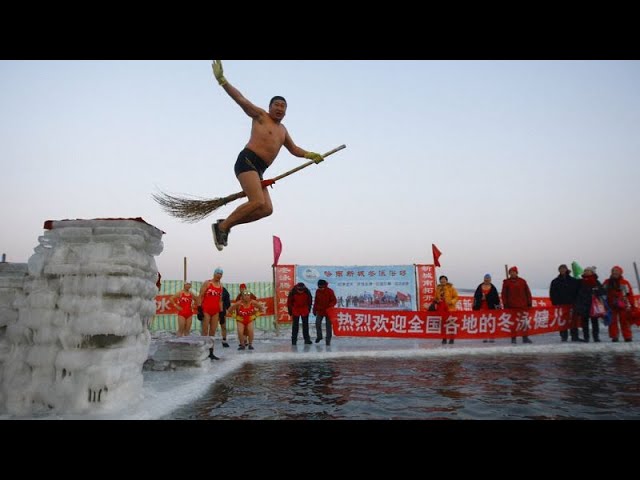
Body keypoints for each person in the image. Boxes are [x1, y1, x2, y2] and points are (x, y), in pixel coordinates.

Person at [210, 60, 325, 251]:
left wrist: (310, 155)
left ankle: (226, 224)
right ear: (270, 107)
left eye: (283, 106)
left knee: (265, 209)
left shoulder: (283, 130)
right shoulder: (261, 116)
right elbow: (241, 99)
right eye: (276, 105)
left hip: (259, 170)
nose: (280, 108)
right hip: (247, 161)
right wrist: (223, 81)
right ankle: (221, 227)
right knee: (256, 201)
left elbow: (294, 149)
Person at [501, 266, 533, 344]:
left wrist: (529, 303)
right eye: (511, 272)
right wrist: (505, 304)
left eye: (514, 272)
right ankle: (513, 338)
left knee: (524, 322)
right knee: (513, 323)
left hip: (523, 305)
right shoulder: (506, 282)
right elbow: (503, 294)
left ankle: (525, 337)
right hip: (511, 306)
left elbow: (527, 293)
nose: (512, 273)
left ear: (517, 272)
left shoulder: (522, 281)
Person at [549, 264, 580, 342]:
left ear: (566, 269)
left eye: (564, 269)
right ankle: (563, 337)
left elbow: (577, 292)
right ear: (559, 270)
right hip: (561, 304)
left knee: (573, 321)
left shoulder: (573, 280)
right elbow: (552, 293)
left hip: (572, 304)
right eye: (561, 269)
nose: (562, 270)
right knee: (562, 321)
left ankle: (574, 336)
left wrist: (576, 301)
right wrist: (555, 303)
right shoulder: (555, 281)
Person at [198, 267, 224, 359]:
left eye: (220, 274)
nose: (219, 276)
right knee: (205, 331)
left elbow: (220, 300)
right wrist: (199, 308)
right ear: (214, 274)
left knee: (212, 332)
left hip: (215, 311)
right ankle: (203, 351)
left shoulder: (221, 286)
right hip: (206, 310)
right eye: (217, 273)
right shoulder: (207, 283)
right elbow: (200, 295)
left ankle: (211, 352)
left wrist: (221, 312)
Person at [574, 266, 605, 342]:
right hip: (583, 305)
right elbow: (575, 292)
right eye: (585, 271)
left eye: (588, 271)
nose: (586, 272)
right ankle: (586, 337)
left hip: (593, 306)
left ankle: (596, 337)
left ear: (592, 272)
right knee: (584, 323)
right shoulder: (580, 282)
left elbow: (602, 292)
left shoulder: (596, 282)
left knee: (595, 322)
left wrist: (596, 291)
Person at [603, 265, 634, 342]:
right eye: (613, 271)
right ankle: (614, 336)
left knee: (624, 321)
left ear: (620, 272)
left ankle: (627, 336)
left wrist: (632, 304)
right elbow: (603, 293)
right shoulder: (607, 282)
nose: (615, 272)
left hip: (622, 305)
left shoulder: (624, 282)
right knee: (612, 321)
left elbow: (629, 294)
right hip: (611, 305)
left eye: (617, 271)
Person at [472, 273, 501, 343]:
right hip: (482, 307)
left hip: (491, 308)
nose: (487, 280)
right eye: (486, 278)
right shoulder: (479, 287)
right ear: (484, 279)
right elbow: (475, 297)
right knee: (483, 322)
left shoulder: (493, 288)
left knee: (491, 322)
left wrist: (487, 298)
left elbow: (496, 299)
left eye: (488, 279)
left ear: (490, 280)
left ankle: (492, 336)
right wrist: (478, 301)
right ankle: (484, 336)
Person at [434, 275, 459, 344]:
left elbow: (456, 297)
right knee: (443, 325)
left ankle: (452, 338)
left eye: (444, 279)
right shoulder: (438, 289)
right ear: (440, 281)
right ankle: (444, 338)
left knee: (451, 324)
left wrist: (451, 302)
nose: (443, 280)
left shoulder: (451, 288)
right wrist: (437, 300)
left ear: (447, 280)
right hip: (442, 310)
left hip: (450, 309)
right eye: (441, 279)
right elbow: (435, 298)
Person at [313, 279, 337, 346]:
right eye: (319, 287)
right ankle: (319, 336)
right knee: (317, 323)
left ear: (325, 286)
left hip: (328, 311)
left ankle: (328, 340)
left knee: (328, 326)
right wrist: (314, 310)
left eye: (322, 287)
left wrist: (330, 306)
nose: (321, 289)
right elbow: (316, 301)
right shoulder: (317, 291)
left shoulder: (330, 291)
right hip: (320, 311)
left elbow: (334, 301)